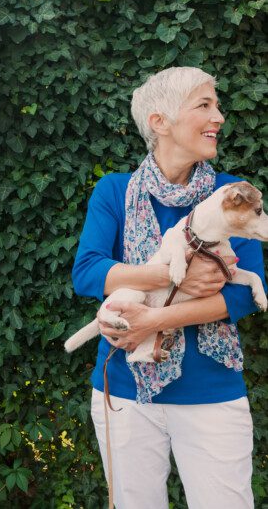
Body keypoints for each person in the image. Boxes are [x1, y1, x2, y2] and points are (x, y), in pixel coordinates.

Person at [71, 66, 267, 509]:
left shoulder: (229, 194)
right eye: (204, 105)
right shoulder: (115, 192)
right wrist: (167, 276)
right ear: (160, 121)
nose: (219, 116)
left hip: (211, 393)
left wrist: (155, 319)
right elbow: (88, 271)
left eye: (216, 105)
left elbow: (239, 296)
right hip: (123, 390)